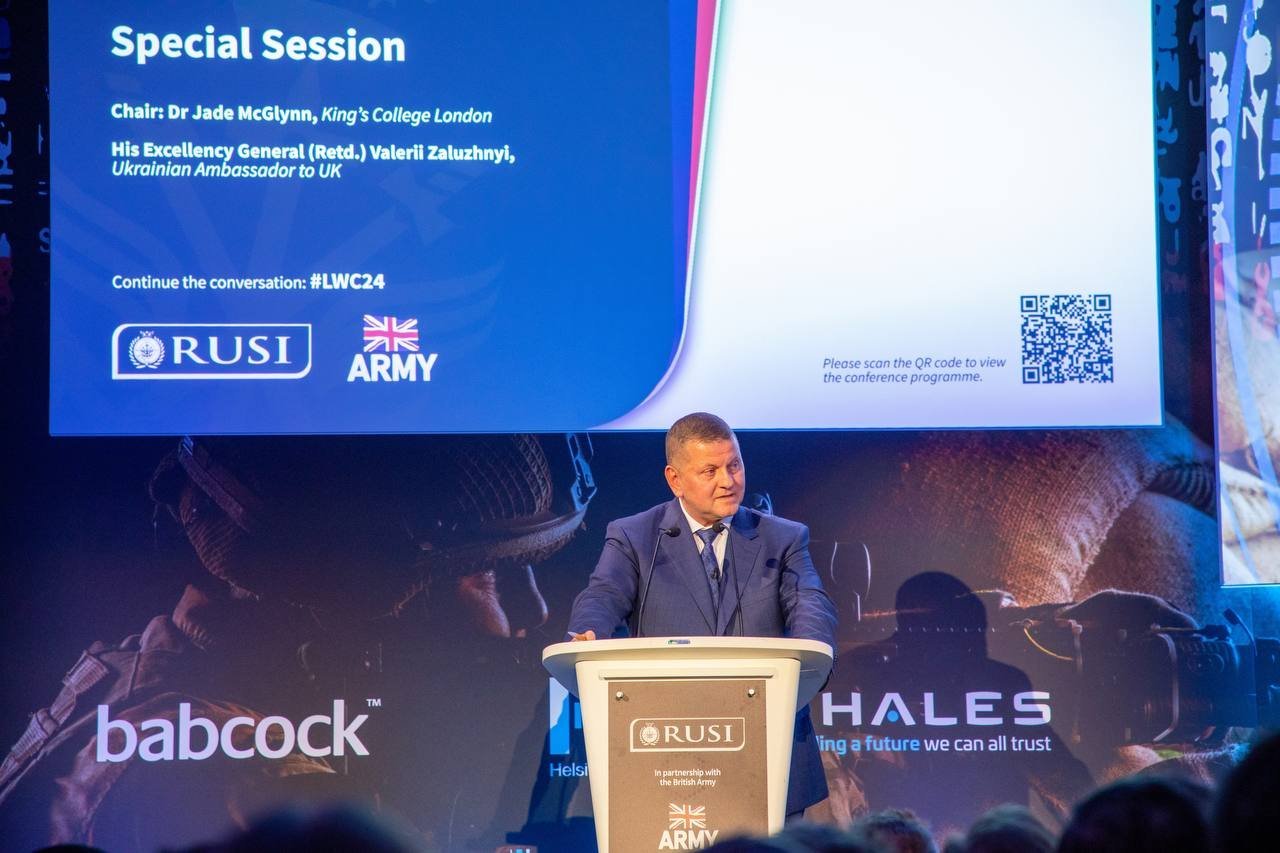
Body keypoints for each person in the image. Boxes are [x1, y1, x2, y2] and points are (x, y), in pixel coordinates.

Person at [565, 412, 838, 815]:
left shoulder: (782, 538)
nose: (728, 481)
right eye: (710, 471)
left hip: (768, 747)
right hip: (668, 753)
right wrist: (589, 630)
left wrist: (811, 651)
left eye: (734, 465)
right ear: (675, 479)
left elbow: (810, 602)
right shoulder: (636, 536)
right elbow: (604, 594)